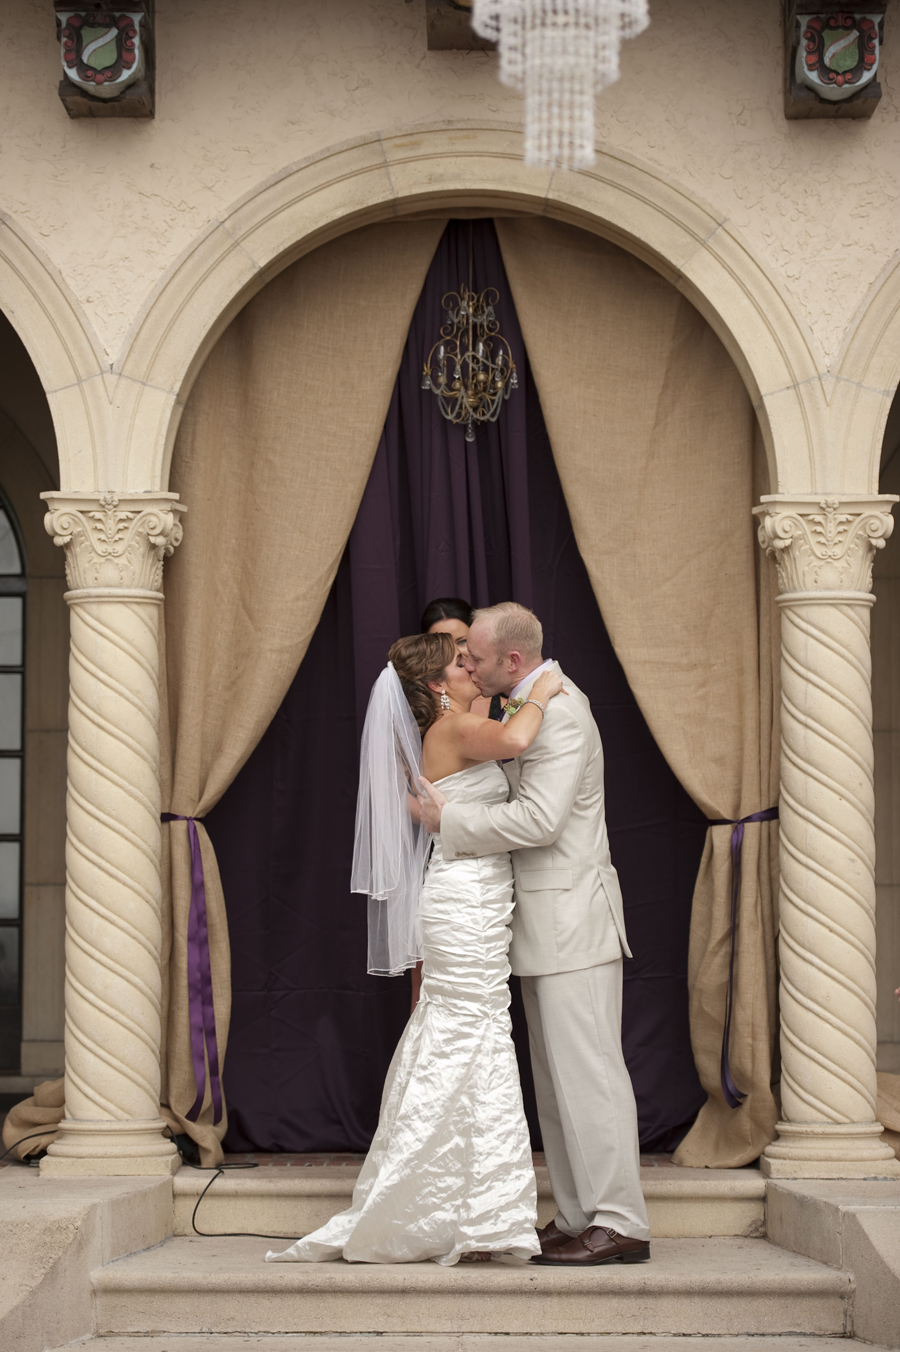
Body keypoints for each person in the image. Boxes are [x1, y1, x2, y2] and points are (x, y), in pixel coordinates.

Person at [266, 630, 563, 1266]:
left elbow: (490, 727)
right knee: (472, 1030)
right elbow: (515, 738)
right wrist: (542, 687)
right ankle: (461, 1208)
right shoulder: (451, 733)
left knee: (464, 1032)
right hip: (465, 901)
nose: (472, 670)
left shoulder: (457, 725)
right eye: (461, 664)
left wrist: (501, 693)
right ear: (435, 686)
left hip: (474, 893)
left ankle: (461, 1204)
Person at [418, 601, 651, 1269]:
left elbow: (541, 820)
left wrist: (450, 825)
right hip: (546, 923)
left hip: (574, 919)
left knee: (591, 1076)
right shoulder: (525, 710)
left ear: (512, 662)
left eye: (476, 658)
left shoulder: (563, 714)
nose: (467, 665)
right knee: (558, 1082)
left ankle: (619, 1220)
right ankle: (579, 1214)